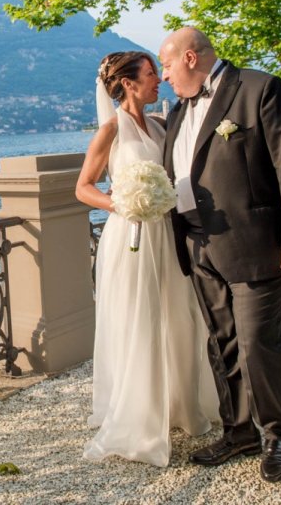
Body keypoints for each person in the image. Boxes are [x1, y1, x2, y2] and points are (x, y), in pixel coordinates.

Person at [159, 27, 281, 483]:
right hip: (197, 244)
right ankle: (239, 433)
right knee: (223, 342)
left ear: (190, 57)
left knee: (258, 343)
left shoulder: (260, 89)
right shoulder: (176, 112)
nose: (163, 76)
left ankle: (277, 435)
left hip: (257, 244)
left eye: (167, 65)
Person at [75, 51, 219, 466]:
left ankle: (181, 406)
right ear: (128, 84)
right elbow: (83, 187)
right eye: (152, 74)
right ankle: (140, 415)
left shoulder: (159, 124)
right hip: (132, 235)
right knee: (140, 320)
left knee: (178, 316)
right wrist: (120, 204)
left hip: (167, 234)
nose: (160, 79)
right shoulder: (110, 129)